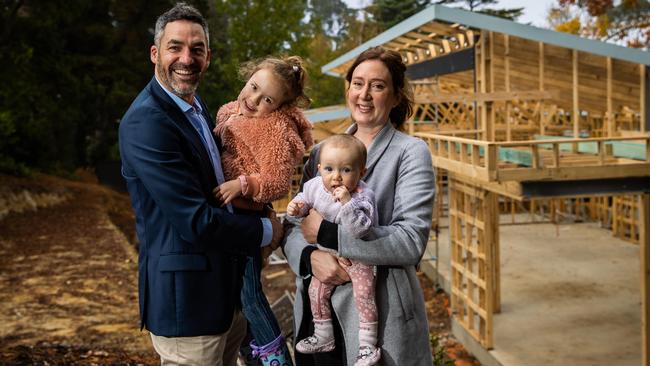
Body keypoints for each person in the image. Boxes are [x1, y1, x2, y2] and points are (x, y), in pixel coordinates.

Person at [118, 3, 283, 365]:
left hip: (225, 298)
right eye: (175, 47)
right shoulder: (146, 122)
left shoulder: (195, 106)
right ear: (155, 53)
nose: (186, 58)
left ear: (208, 57)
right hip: (187, 307)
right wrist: (268, 231)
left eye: (197, 49)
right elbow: (195, 221)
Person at [283, 46, 436, 366]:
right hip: (318, 311)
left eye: (378, 86)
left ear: (395, 97)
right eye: (358, 83)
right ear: (348, 88)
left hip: (376, 319)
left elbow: (410, 242)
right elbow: (294, 223)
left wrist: (328, 235)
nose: (364, 94)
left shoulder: (410, 152)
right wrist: (311, 257)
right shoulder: (324, 152)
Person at [212, 56, 314, 365]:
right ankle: (252, 353)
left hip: (248, 216)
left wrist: (242, 184)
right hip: (229, 217)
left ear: (280, 106)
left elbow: (277, 181)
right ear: (247, 78)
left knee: (250, 296)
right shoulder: (228, 111)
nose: (254, 100)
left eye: (267, 99)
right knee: (235, 296)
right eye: (253, 87)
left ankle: (277, 359)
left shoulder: (274, 129)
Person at [288, 134, 380, 366]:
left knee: (364, 296)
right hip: (328, 257)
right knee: (316, 292)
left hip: (359, 259)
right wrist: (297, 208)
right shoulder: (314, 186)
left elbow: (361, 230)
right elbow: (302, 202)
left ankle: (368, 345)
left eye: (346, 170)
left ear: (362, 172)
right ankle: (323, 334)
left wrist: (347, 203)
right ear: (319, 168)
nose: (336, 177)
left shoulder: (362, 196)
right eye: (329, 169)